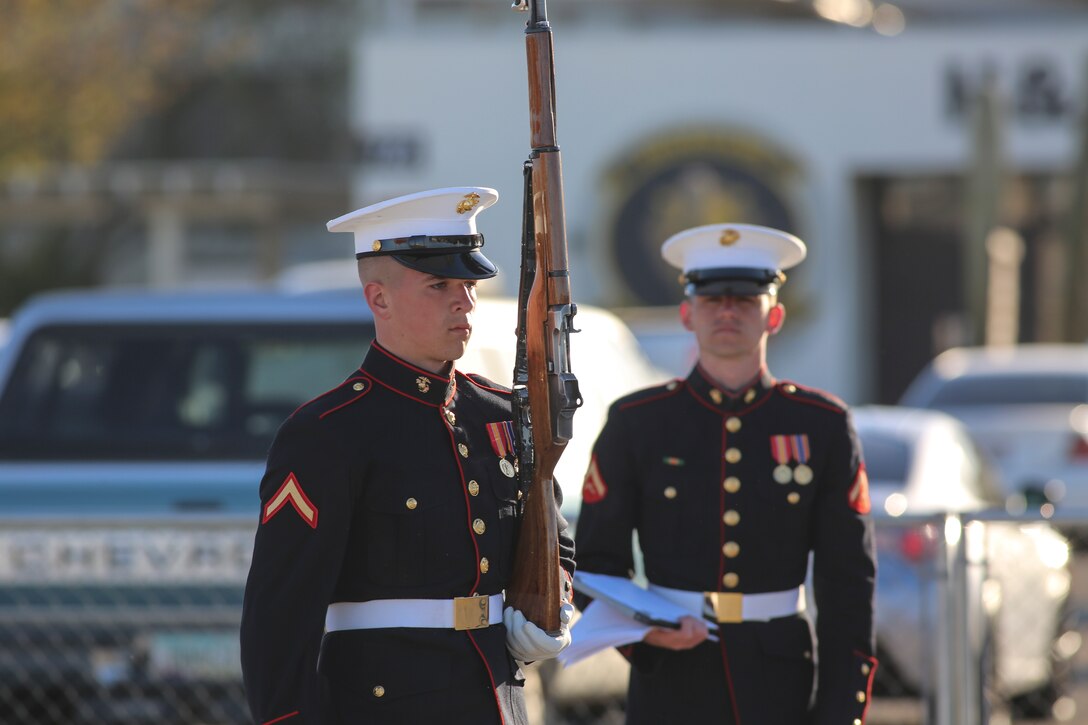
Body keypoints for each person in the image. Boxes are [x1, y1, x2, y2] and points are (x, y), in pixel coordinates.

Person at [240, 187, 575, 725]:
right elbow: (280, 615)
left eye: (467, 284)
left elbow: (552, 534)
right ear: (379, 299)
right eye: (439, 285)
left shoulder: (500, 414)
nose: (464, 301)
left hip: (497, 699)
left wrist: (551, 605)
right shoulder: (328, 433)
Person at [573, 223, 877, 724]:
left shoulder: (821, 425)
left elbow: (847, 583)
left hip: (779, 681)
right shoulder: (639, 422)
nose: (729, 311)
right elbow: (593, 567)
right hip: (670, 681)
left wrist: (842, 708)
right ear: (687, 313)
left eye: (745, 298)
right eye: (713, 300)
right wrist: (645, 637)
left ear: (774, 315)